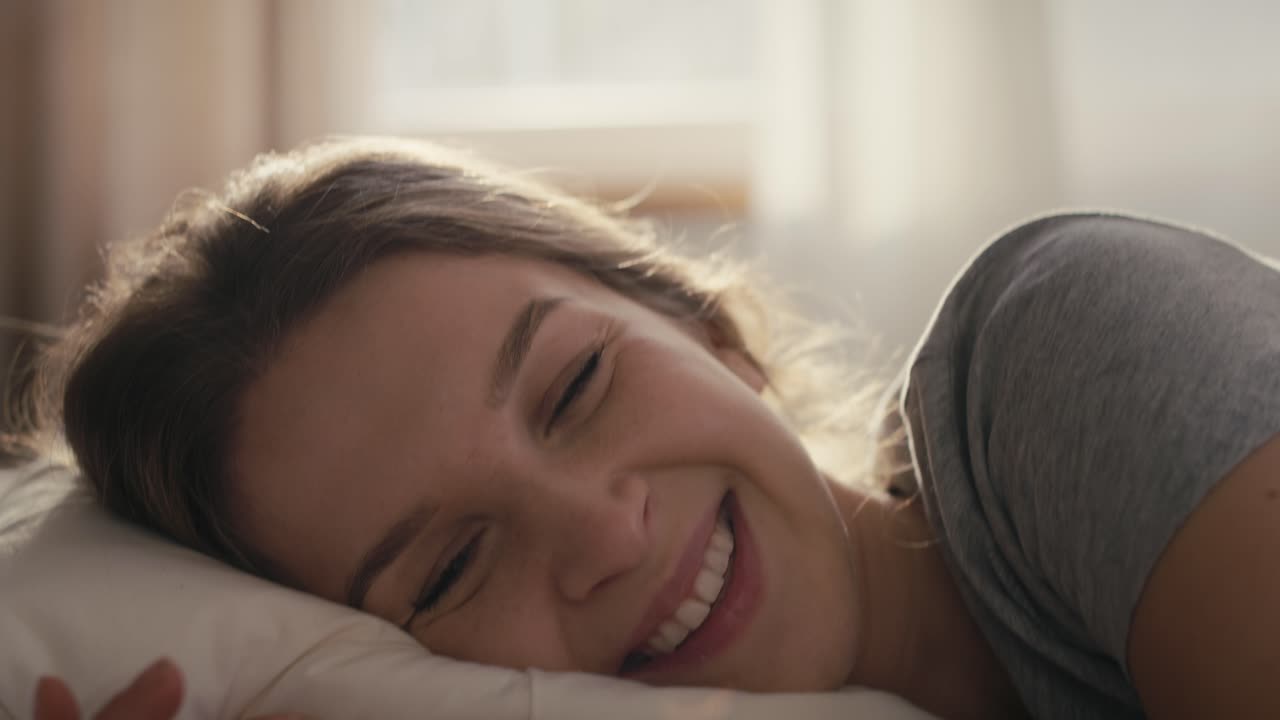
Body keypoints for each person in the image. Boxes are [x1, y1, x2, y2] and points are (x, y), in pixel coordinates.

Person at [13, 137, 1280, 720]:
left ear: (706, 326)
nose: (604, 535)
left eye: (575, 387)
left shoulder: (1066, 344)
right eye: (451, 569)